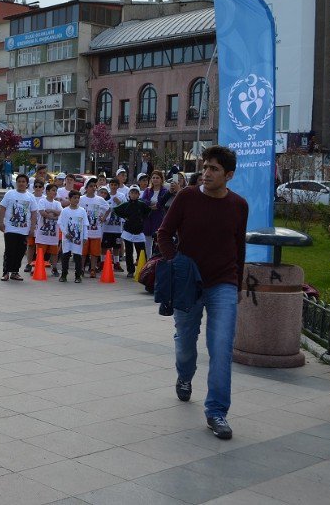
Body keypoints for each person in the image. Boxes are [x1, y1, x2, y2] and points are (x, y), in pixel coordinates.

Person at [157, 145, 248, 440]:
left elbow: (239, 248)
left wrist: (240, 283)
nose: (206, 173)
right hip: (188, 284)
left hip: (223, 282)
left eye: (214, 169)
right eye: (205, 166)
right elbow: (163, 234)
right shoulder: (185, 198)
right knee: (185, 342)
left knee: (221, 346)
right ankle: (184, 377)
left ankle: (217, 411)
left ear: (229, 175)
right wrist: (176, 262)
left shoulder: (238, 205)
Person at [0, 173, 36, 282]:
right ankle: (5, 272)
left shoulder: (30, 196)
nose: (21, 183)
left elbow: (34, 213)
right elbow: (2, 208)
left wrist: (32, 228)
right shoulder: (10, 194)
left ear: (27, 184)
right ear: (16, 183)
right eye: (19, 181)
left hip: (24, 230)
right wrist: (1, 222)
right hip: (10, 228)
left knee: (20, 251)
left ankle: (15, 272)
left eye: (23, 182)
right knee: (9, 250)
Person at [114, 187, 150, 277]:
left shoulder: (142, 204)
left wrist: (142, 219)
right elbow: (116, 210)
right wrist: (124, 216)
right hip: (128, 231)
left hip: (139, 231)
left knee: (141, 252)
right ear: (129, 194)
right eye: (132, 193)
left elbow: (148, 211)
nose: (134, 195)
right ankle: (130, 271)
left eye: (136, 193)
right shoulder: (126, 204)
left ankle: (143, 270)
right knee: (129, 252)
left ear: (138, 194)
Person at [79, 179, 110, 276]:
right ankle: (81, 269)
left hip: (96, 231)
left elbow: (108, 209)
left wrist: (104, 218)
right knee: (83, 252)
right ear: (86, 188)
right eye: (91, 186)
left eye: (94, 186)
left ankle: (92, 269)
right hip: (84, 231)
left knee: (94, 252)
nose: (93, 188)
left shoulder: (99, 199)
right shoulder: (81, 199)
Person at [141, 170, 172, 258]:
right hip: (148, 218)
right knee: (147, 242)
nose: (155, 180)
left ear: (161, 179)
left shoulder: (165, 191)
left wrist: (157, 206)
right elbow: (143, 200)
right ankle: (147, 262)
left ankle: (156, 261)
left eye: (157, 178)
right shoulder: (147, 190)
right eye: (153, 178)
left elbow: (162, 202)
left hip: (159, 218)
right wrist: (150, 204)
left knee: (158, 241)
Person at [58, 190, 87, 283]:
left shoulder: (82, 211)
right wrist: (65, 233)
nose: (76, 200)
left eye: (78, 198)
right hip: (67, 238)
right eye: (74, 198)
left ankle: (78, 275)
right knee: (65, 255)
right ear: (70, 199)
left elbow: (85, 224)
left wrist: (85, 237)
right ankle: (64, 274)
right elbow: (60, 223)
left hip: (78, 238)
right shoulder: (65, 211)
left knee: (77, 256)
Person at [34, 183, 63, 278]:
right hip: (42, 233)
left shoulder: (57, 203)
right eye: (53, 190)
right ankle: (37, 267)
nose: (55, 192)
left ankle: (54, 268)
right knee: (40, 252)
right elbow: (42, 212)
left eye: (56, 191)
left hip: (53, 233)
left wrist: (51, 210)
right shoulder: (42, 201)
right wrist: (53, 216)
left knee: (54, 252)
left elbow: (61, 213)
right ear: (47, 191)